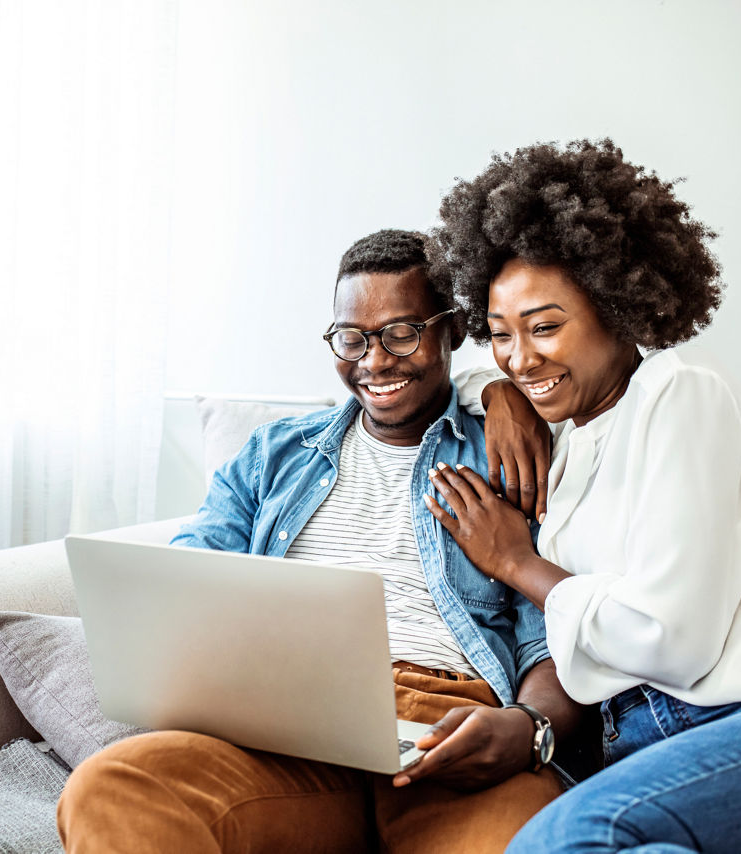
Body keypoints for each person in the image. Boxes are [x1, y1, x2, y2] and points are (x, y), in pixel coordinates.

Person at [56, 229, 585, 853]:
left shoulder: (511, 453)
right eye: (351, 338)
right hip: (286, 733)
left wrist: (527, 728)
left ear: (453, 330)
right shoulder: (273, 456)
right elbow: (188, 581)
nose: (375, 361)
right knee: (110, 789)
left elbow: (559, 634)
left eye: (401, 333)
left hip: (450, 728)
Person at [425, 138, 741, 852]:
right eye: (501, 334)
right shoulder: (569, 441)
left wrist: (517, 563)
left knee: (567, 837)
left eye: (545, 327)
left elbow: (673, 640)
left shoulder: (680, 393)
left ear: (617, 305)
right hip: (639, 742)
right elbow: (462, 381)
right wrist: (499, 390)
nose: (522, 356)